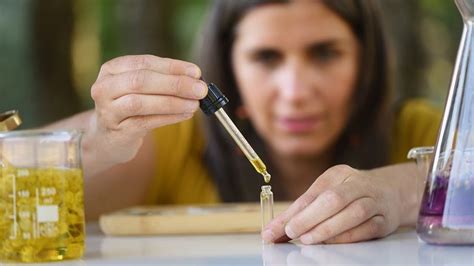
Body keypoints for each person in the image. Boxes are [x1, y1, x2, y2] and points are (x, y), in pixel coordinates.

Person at [45, 0, 441, 244]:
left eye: (324, 54)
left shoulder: (417, 134)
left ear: (365, 63)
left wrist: (405, 191)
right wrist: (99, 139)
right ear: (230, 72)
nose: (295, 91)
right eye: (266, 58)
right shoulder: (174, 144)